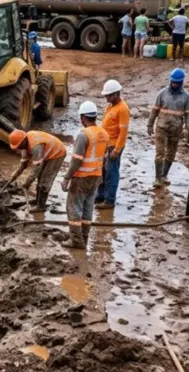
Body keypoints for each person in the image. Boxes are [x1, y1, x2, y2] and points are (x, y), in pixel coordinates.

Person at [61, 101, 109, 249]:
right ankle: (84, 237)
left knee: (73, 207)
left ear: (83, 118)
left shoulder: (84, 135)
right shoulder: (104, 134)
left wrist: (67, 177)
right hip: (96, 176)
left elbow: (76, 161)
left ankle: (76, 240)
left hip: (82, 177)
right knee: (88, 208)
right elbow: (105, 158)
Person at [147, 68, 189, 188]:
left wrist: (188, 128)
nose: (174, 84)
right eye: (173, 82)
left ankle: (164, 175)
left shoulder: (187, 97)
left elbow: (188, 114)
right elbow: (154, 110)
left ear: (181, 82)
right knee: (160, 153)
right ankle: (157, 178)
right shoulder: (162, 93)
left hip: (176, 130)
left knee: (171, 154)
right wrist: (150, 125)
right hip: (161, 128)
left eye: (177, 83)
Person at [9, 129, 68, 213]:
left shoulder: (35, 146)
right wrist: (12, 178)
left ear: (23, 141)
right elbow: (23, 165)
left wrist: (27, 183)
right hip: (47, 152)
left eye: (18, 146)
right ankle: (38, 201)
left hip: (58, 153)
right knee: (40, 177)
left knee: (45, 180)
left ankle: (41, 206)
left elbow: (36, 169)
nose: (18, 149)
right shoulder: (25, 144)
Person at [96, 80, 130, 209]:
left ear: (116, 94)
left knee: (111, 173)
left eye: (109, 95)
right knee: (103, 171)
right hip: (106, 145)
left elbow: (123, 131)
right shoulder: (111, 106)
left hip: (114, 146)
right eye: (106, 96)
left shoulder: (122, 109)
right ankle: (101, 195)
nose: (107, 98)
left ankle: (109, 201)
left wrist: (117, 149)